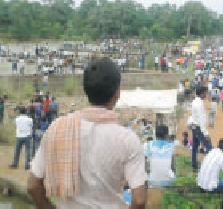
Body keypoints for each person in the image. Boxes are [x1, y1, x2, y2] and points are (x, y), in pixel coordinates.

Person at [27, 58, 146, 209]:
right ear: (117, 93)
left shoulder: (57, 128)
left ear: (86, 90)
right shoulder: (127, 139)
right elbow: (139, 200)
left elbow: (32, 186)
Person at [191, 86, 209, 171]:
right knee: (209, 147)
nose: (206, 94)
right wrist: (205, 133)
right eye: (205, 92)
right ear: (202, 93)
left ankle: (194, 165)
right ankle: (209, 168)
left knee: (195, 147)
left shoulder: (195, 101)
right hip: (199, 128)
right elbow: (201, 119)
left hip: (195, 127)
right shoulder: (199, 104)